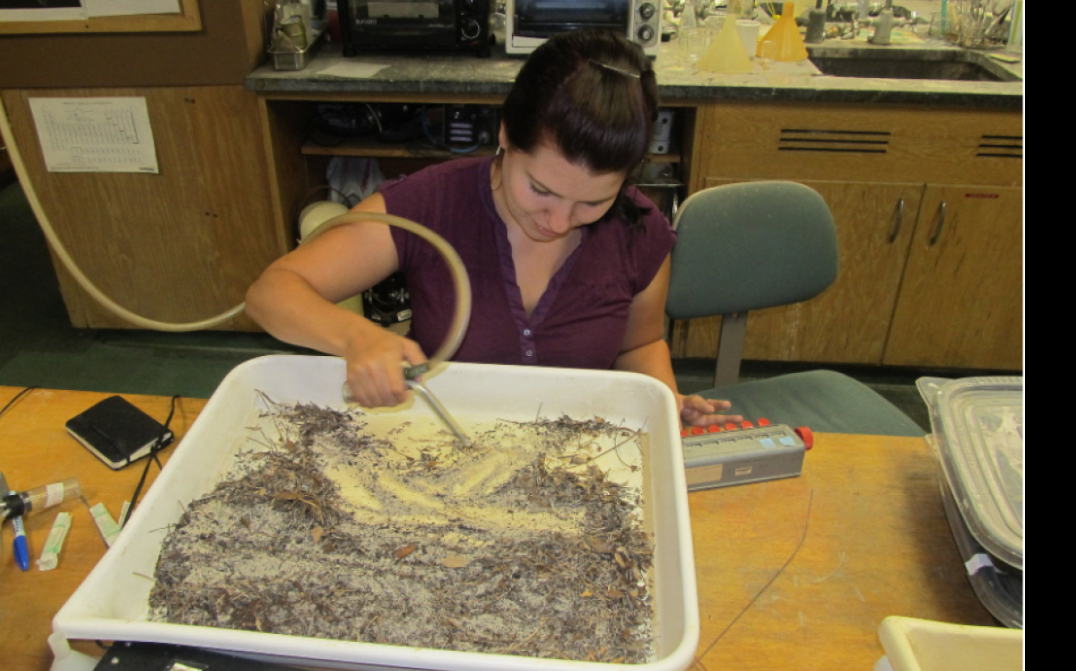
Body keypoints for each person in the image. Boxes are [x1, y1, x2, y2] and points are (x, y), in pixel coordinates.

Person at [247, 29, 739, 428]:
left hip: (572, 462)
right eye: (541, 190)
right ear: (506, 134)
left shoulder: (638, 231)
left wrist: (662, 400)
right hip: (440, 443)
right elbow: (272, 293)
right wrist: (356, 338)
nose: (559, 221)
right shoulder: (430, 205)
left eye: (593, 201)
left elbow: (640, 344)